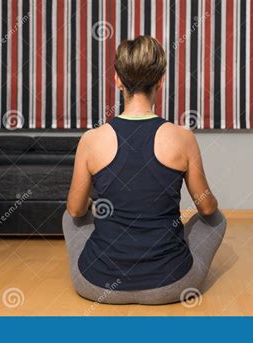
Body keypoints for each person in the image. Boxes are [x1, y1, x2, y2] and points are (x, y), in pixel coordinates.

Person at [63, 36, 226, 305]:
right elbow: (207, 208)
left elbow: (76, 211)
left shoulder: (91, 139)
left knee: (70, 215)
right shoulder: (182, 137)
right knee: (217, 219)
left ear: (117, 80)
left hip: (96, 284)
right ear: (160, 81)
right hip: (173, 285)